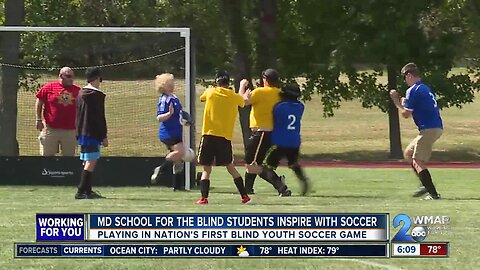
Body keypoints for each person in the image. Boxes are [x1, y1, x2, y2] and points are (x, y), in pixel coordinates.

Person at [195, 71, 251, 205]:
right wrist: (242, 86)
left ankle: (204, 198)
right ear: (228, 82)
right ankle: (244, 196)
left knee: (206, 168)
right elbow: (243, 100)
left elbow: (202, 98)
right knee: (230, 167)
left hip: (208, 134)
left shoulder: (210, 92)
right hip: (224, 137)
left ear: (216, 82)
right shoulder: (233, 96)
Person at [389, 62, 443, 200]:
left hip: (428, 128)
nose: (404, 80)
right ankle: (425, 184)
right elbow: (413, 109)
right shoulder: (424, 88)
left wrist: (395, 100)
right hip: (434, 127)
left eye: (404, 77)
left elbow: (406, 115)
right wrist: (403, 104)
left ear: (409, 75)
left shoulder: (413, 89)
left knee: (417, 160)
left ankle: (433, 194)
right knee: (408, 153)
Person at [239, 68, 291, 196]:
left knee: (252, 165)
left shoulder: (260, 92)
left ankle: (281, 186)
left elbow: (242, 102)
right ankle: (248, 190)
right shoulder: (280, 93)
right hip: (273, 133)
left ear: (265, 79)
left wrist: (242, 87)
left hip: (261, 133)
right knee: (255, 162)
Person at [261, 84, 310, 196]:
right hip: (294, 141)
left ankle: (282, 188)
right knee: (293, 163)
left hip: (279, 142)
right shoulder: (300, 106)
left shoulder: (279, 107)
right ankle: (303, 180)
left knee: (265, 169)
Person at [150, 73, 190, 191]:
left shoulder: (174, 97)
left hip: (177, 131)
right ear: (163, 86)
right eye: (169, 85)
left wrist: (185, 119)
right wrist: (169, 114)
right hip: (168, 132)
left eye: (172, 84)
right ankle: (160, 169)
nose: (172, 86)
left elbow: (180, 114)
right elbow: (159, 117)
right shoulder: (164, 99)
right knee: (180, 152)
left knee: (179, 159)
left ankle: (177, 186)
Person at [75, 67, 107, 199]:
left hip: (81, 131)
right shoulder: (96, 95)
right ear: (98, 78)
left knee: (86, 160)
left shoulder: (81, 93)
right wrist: (103, 135)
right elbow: (99, 117)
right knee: (91, 161)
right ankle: (81, 191)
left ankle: (88, 190)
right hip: (92, 132)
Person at [35, 67, 80, 156]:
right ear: (61, 76)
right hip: (50, 129)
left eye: (73, 76)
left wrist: (78, 128)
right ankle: (47, 171)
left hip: (70, 130)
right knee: (47, 158)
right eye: (68, 76)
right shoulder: (49, 87)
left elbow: (80, 109)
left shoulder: (78, 91)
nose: (71, 79)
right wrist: (38, 119)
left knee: (69, 159)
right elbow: (39, 102)